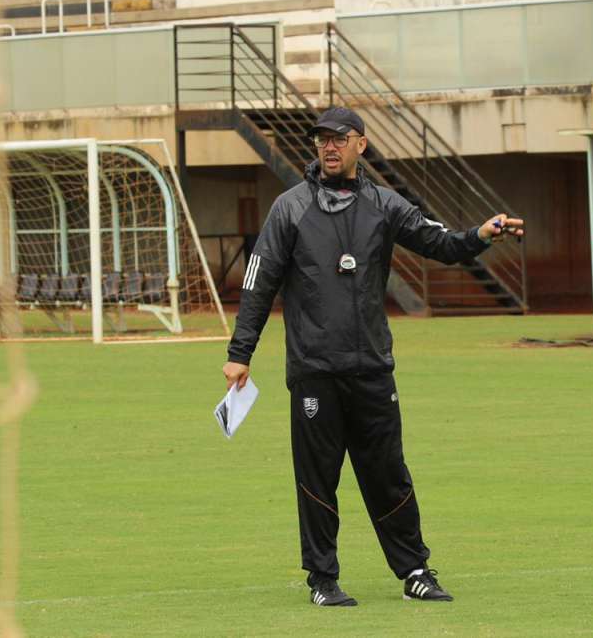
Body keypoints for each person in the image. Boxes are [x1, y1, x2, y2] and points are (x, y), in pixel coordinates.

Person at [222, 106, 524, 607]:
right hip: (315, 371)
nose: (329, 147)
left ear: (361, 144)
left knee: (388, 474)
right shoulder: (290, 208)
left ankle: (415, 571)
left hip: (372, 370)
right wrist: (241, 352)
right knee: (319, 479)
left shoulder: (386, 205)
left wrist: (480, 236)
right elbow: (259, 284)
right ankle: (322, 579)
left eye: (339, 138)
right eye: (322, 139)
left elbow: (440, 243)